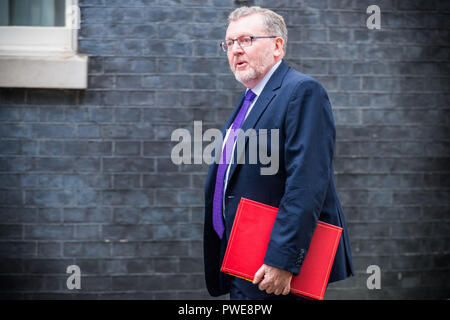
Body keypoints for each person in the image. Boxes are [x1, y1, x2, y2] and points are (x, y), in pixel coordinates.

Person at [203, 6, 354, 300]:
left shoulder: (302, 91)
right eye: (229, 43)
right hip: (240, 261)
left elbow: (307, 184)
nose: (235, 50)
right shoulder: (249, 101)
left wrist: (282, 261)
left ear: (277, 46)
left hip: (273, 270)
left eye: (246, 40)